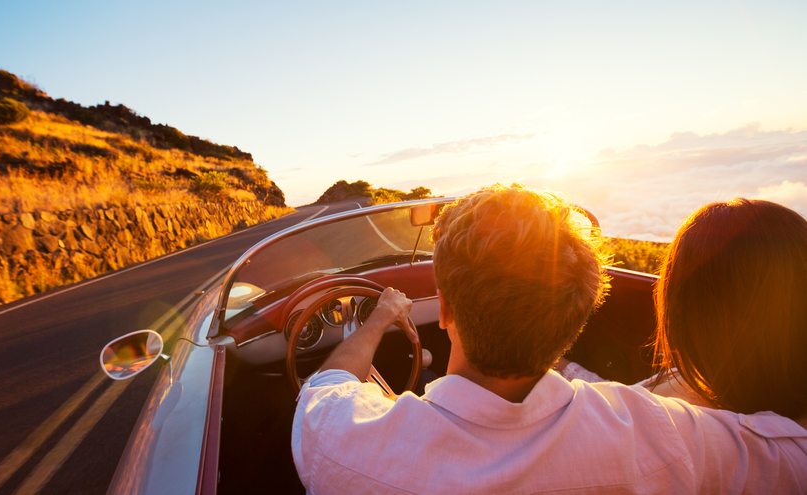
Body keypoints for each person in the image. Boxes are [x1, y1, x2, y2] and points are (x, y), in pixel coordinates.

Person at [292, 184, 807, 494]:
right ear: (575, 321)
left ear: (444, 308)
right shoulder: (672, 434)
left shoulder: (342, 444)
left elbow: (330, 383)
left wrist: (379, 320)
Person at [557, 199, 807, 419]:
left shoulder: (685, 419)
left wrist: (542, 368)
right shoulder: (709, 381)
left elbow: (612, 413)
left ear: (689, 314)